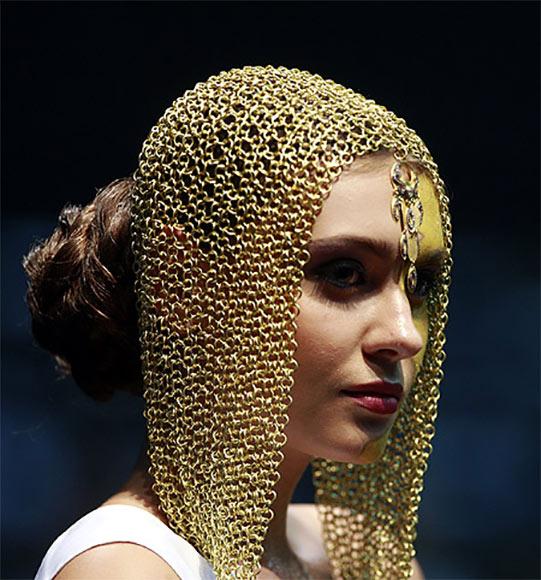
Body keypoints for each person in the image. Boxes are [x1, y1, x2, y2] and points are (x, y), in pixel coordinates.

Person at [26, 66, 451, 579]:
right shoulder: (122, 569)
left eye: (419, 285)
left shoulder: (366, 558)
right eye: (344, 273)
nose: (403, 336)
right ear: (181, 284)